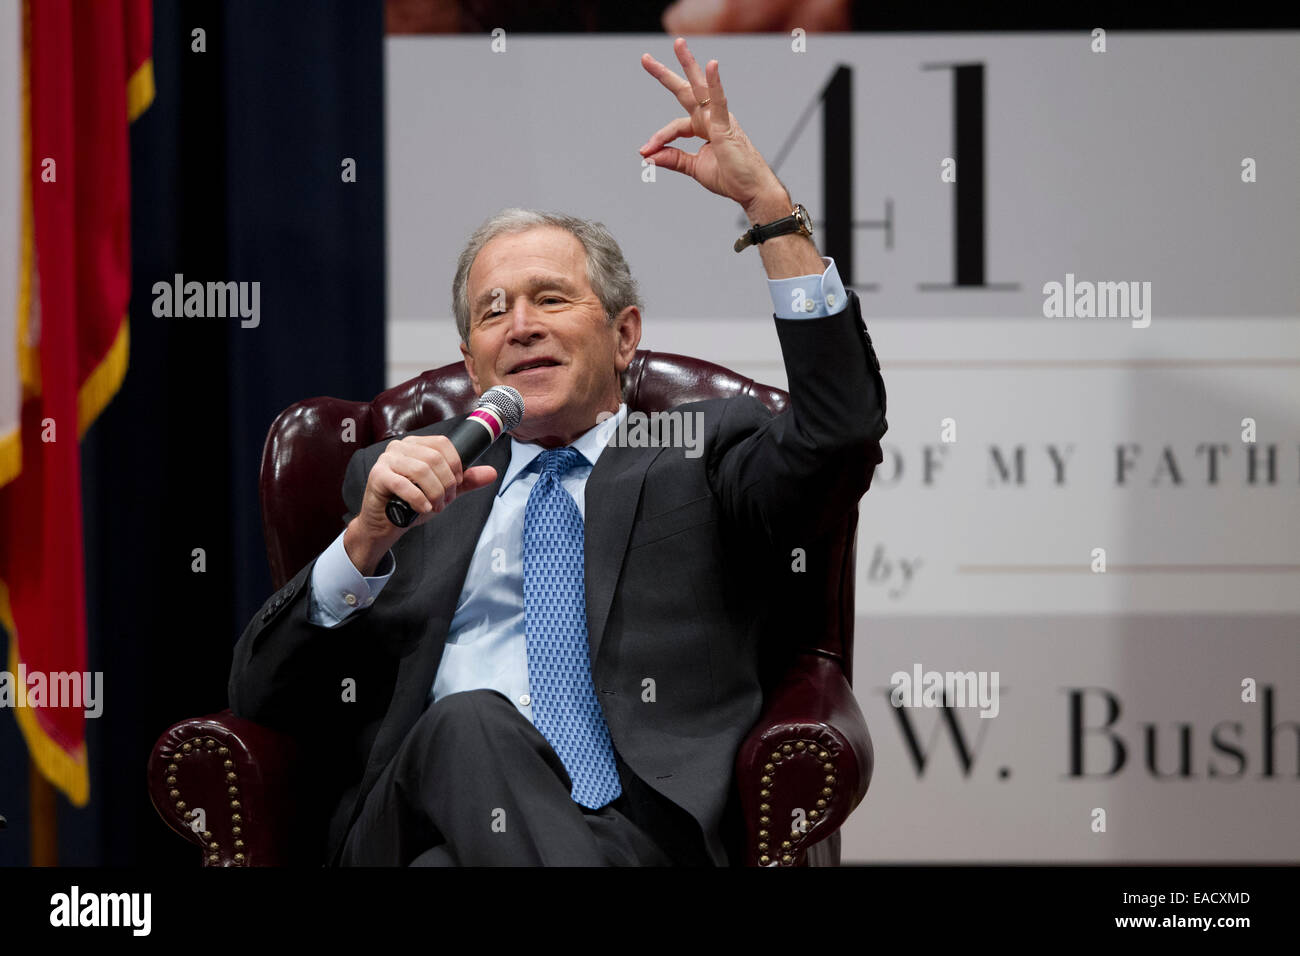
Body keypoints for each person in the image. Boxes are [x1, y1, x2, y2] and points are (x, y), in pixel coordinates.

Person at [228, 37, 887, 866]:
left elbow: (842, 433)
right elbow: (260, 695)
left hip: (637, 833)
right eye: (493, 312)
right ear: (472, 365)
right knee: (469, 721)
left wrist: (768, 209)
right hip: (413, 810)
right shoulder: (400, 483)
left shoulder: (704, 449)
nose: (522, 325)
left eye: (551, 298)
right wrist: (362, 546)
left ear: (624, 335)